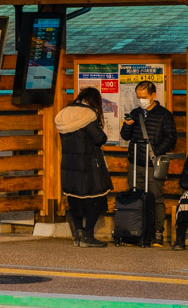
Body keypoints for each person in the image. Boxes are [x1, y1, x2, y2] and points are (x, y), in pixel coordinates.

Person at [121, 80, 177, 248]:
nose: (141, 100)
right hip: (135, 161)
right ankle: (135, 231)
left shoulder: (164, 115)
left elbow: (171, 137)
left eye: (144, 97)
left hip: (153, 163)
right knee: (134, 196)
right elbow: (126, 136)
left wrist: (155, 152)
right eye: (138, 97)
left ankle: (158, 232)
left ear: (153, 95)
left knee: (156, 198)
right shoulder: (135, 113)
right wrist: (127, 125)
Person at [56, 86, 111, 248]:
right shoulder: (87, 115)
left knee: (74, 199)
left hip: (68, 165)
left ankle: (78, 234)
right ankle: (88, 235)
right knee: (96, 199)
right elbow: (99, 138)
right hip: (88, 166)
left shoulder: (65, 114)